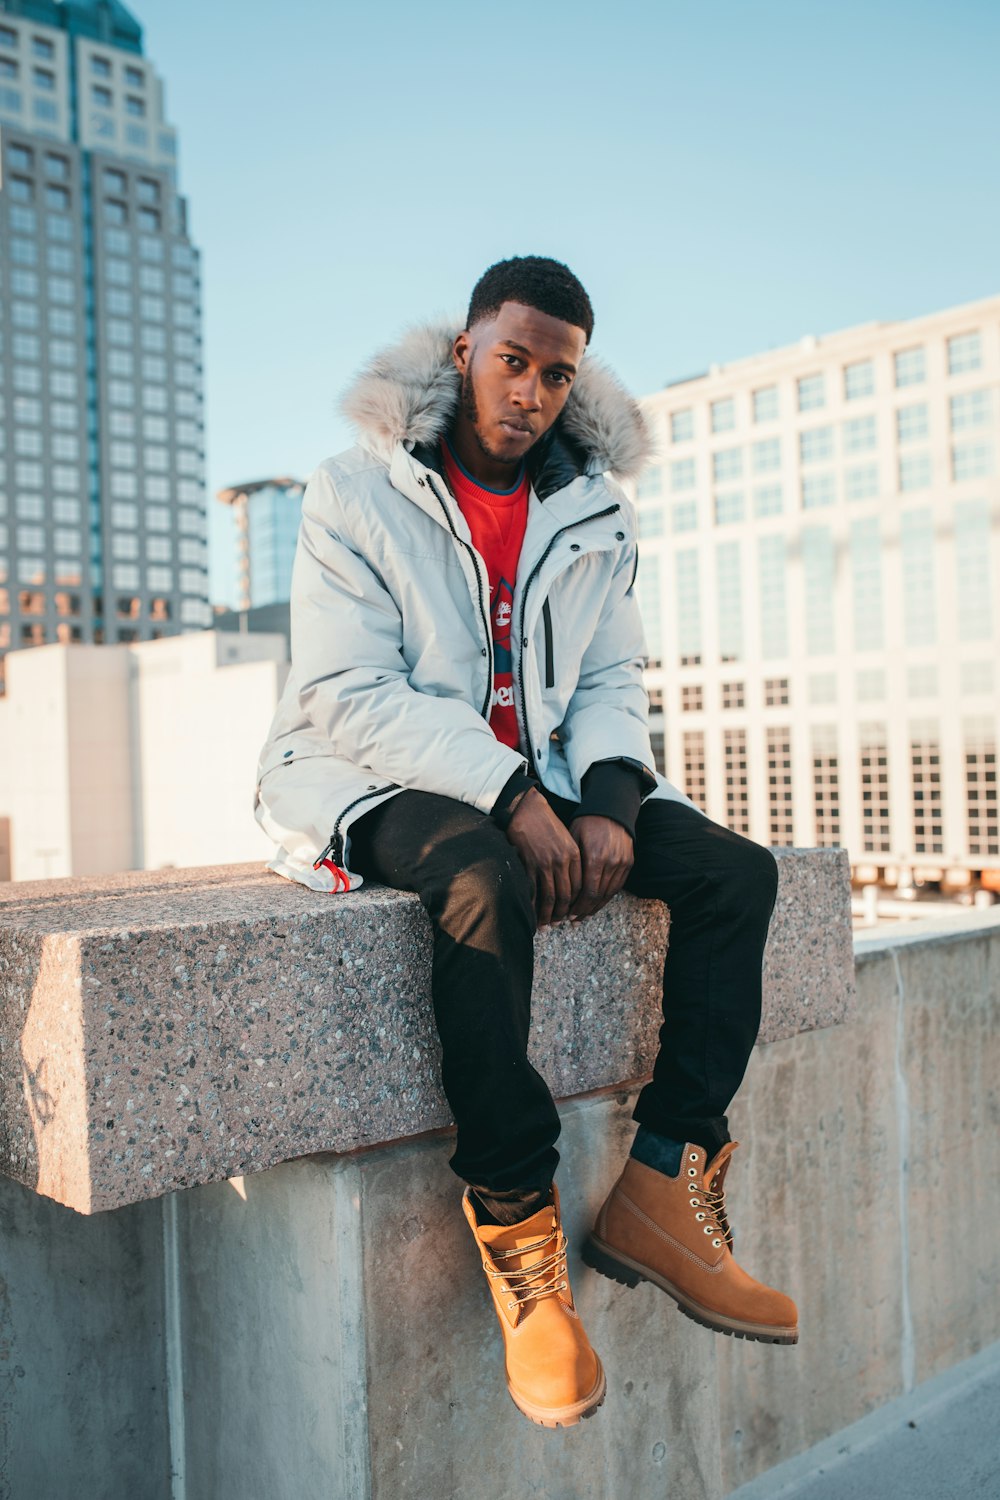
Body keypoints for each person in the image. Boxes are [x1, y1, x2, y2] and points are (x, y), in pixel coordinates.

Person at [254, 255, 798, 1430]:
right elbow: (348, 692)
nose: (532, 392)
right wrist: (512, 796)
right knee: (480, 879)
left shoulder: (594, 507)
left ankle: (665, 1183)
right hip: (373, 774)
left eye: (557, 373)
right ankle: (521, 1243)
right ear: (465, 352)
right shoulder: (356, 490)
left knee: (731, 875)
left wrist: (604, 799)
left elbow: (611, 674)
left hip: (550, 781)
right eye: (513, 360)